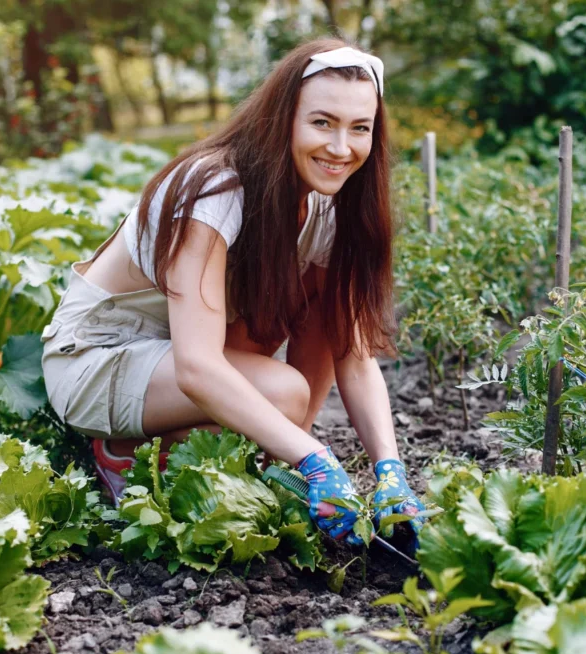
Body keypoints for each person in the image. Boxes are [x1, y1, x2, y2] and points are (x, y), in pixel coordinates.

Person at [41, 38, 424, 548]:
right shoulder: (214, 188)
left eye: (360, 128)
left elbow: (352, 356)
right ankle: (123, 451)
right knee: (285, 393)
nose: (340, 147)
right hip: (98, 358)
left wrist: (390, 472)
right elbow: (197, 366)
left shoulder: (326, 209)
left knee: (323, 314)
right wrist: (318, 458)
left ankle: (274, 461)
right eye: (322, 123)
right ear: (284, 117)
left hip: (169, 360)